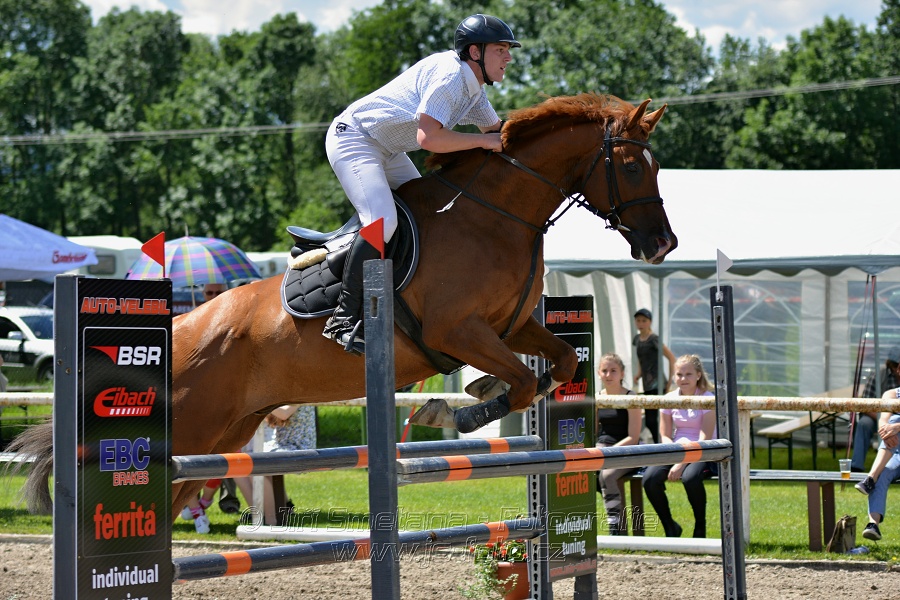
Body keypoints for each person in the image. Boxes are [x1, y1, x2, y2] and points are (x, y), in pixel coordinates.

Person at [322, 14, 520, 355]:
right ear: (475, 52)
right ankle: (341, 318)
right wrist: (482, 144)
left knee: (431, 214)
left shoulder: (473, 88)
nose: (509, 57)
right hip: (354, 139)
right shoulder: (449, 78)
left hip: (387, 148)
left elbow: (497, 133)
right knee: (382, 221)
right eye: (501, 49)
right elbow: (428, 138)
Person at [642, 354, 716, 538]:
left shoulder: (708, 398)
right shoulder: (669, 398)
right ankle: (670, 526)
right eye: (679, 374)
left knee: (690, 478)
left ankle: (700, 527)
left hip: (703, 450)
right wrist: (676, 455)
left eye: (688, 374)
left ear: (698, 375)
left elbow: (704, 438)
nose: (683, 379)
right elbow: (665, 435)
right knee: (649, 479)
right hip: (676, 449)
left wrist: (681, 463)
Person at [595, 353, 642, 535]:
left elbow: (634, 436)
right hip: (602, 448)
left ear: (622, 373)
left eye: (613, 371)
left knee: (607, 475)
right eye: (604, 371)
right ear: (599, 374)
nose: (608, 375)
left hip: (627, 450)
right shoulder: (597, 397)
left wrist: (609, 453)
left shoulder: (632, 397)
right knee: (582, 470)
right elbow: (594, 432)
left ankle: (615, 527)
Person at [855, 387, 900, 541]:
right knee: (883, 473)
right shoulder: (891, 394)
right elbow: (883, 419)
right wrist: (885, 430)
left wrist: (896, 426)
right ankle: (873, 524)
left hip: (894, 448)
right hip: (895, 453)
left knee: (895, 421)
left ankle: (870, 478)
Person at [261, 404, 317, 525]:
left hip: (300, 449)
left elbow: (284, 413)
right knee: (249, 459)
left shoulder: (302, 390)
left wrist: (259, 404)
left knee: (259, 465)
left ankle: (270, 522)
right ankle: (279, 509)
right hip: (282, 446)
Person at [851, 345, 900, 472]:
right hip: (879, 416)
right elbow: (865, 404)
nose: (897, 370)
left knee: (893, 421)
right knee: (863, 424)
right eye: (896, 366)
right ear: (891, 365)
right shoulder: (878, 374)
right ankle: (856, 465)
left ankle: (880, 470)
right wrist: (884, 425)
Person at [632, 308, 676, 443]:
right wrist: (639, 373)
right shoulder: (637, 339)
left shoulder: (654, 339)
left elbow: (671, 358)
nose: (641, 323)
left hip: (657, 383)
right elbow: (641, 359)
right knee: (651, 419)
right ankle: (660, 443)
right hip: (647, 383)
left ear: (650, 322)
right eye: (638, 320)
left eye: (644, 321)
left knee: (654, 419)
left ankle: (661, 443)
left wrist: (669, 382)